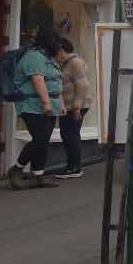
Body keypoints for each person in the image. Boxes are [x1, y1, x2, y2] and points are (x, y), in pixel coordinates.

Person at [7, 28, 63, 189]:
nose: (58, 45)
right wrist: (46, 103)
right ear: (48, 42)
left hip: (49, 105)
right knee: (39, 140)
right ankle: (16, 169)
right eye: (56, 41)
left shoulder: (47, 58)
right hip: (32, 105)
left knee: (43, 141)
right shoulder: (34, 57)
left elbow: (55, 81)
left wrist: (61, 104)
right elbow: (38, 81)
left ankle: (39, 175)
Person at [52, 38, 92, 180]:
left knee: (70, 136)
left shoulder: (74, 63)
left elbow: (82, 85)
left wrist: (76, 108)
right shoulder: (66, 63)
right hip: (70, 106)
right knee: (68, 135)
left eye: (55, 52)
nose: (55, 56)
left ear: (62, 50)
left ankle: (74, 167)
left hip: (75, 106)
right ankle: (72, 165)